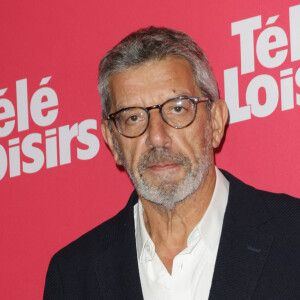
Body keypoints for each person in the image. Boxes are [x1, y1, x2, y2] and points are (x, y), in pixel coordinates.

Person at [44, 27, 300, 300]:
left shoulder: (293, 236)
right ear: (112, 141)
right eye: (133, 117)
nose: (157, 137)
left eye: (178, 108)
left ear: (214, 123)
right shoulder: (72, 276)